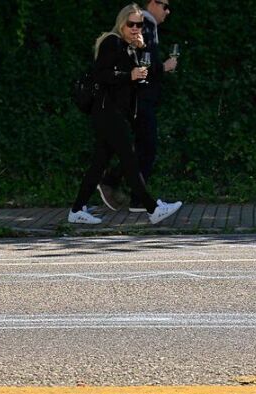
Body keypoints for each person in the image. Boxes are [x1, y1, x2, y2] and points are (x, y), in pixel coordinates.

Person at [68, 5, 182, 225]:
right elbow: (102, 74)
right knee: (129, 159)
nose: (135, 28)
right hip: (107, 110)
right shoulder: (112, 41)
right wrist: (128, 73)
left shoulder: (128, 46)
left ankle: (76, 210)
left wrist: (140, 50)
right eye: (131, 24)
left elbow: (139, 77)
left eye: (139, 25)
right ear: (121, 23)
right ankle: (152, 209)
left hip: (116, 111)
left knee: (99, 163)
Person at [97, 0, 178, 213]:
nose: (167, 11)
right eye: (165, 5)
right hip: (141, 97)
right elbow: (143, 64)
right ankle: (130, 195)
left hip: (136, 96)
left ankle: (118, 187)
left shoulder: (143, 25)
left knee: (139, 147)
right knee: (146, 147)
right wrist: (165, 67)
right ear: (153, 3)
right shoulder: (145, 24)